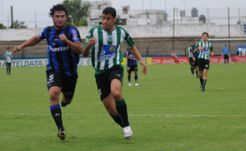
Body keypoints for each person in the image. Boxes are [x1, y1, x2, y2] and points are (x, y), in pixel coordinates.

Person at [13, 4, 82, 140]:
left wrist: (66, 41)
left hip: (70, 73)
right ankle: (60, 129)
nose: (60, 19)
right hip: (54, 70)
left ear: (66, 17)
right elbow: (36, 38)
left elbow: (79, 48)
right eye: (57, 16)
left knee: (67, 99)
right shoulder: (48, 31)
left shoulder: (71, 31)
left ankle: (66, 100)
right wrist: (22, 46)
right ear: (53, 17)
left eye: (62, 16)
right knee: (53, 93)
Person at [82, 7, 147, 139]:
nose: (104, 21)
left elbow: (132, 45)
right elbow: (84, 54)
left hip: (115, 67)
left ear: (114, 19)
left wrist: (141, 60)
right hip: (100, 73)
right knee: (111, 110)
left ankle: (127, 126)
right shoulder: (94, 32)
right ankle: (124, 126)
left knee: (116, 93)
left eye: (108, 19)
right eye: (103, 18)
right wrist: (89, 45)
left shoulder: (121, 32)